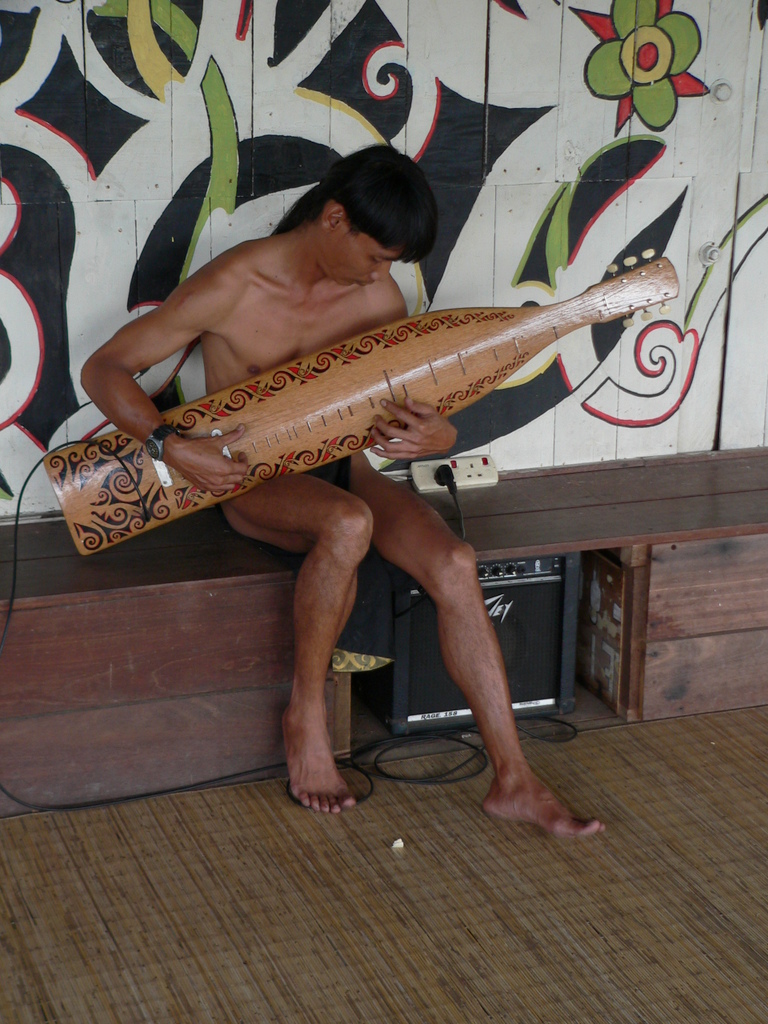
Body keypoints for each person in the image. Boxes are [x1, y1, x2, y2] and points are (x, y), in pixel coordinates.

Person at [82, 145, 604, 837]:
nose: (384, 275)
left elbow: (413, 410)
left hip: (347, 471)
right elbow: (105, 367)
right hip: (250, 479)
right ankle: (307, 715)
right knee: (348, 524)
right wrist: (168, 444)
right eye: (378, 256)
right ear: (335, 219)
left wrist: (439, 436)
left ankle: (515, 779)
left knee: (454, 561)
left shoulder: (377, 301)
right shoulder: (233, 285)